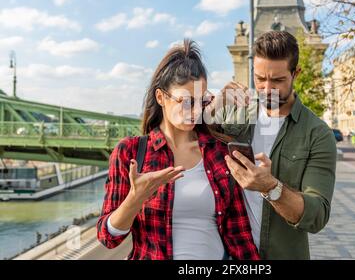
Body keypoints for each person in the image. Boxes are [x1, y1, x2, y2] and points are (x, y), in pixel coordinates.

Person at [97, 40, 259, 260]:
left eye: (202, 101)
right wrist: (135, 199)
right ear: (161, 97)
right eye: (186, 102)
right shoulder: (130, 152)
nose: (195, 111)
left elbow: (239, 235)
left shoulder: (220, 152)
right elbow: (108, 237)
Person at [207, 31, 336, 259]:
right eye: (259, 79)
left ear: (296, 74)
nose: (267, 89)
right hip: (229, 254)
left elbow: (317, 216)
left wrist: (270, 188)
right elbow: (183, 138)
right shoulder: (236, 113)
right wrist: (214, 107)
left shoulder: (318, 133)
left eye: (277, 80)